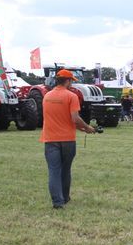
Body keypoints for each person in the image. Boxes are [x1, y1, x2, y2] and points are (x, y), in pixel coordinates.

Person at [40, 69, 96, 209]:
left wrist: (82, 128)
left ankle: (57, 202)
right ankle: (65, 197)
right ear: (68, 81)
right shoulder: (71, 96)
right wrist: (87, 127)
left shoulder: (46, 96)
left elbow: (58, 120)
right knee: (65, 170)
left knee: (54, 171)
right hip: (68, 140)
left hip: (50, 139)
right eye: (71, 81)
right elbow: (74, 119)